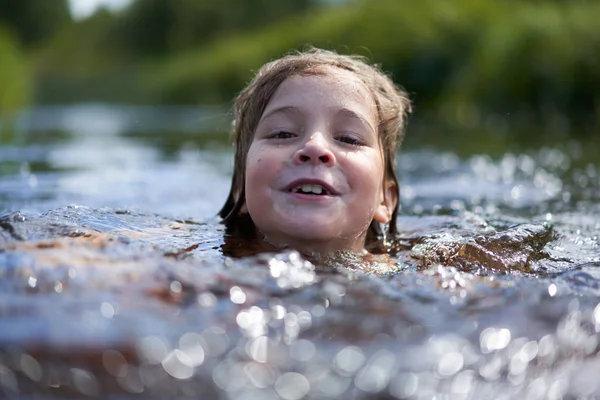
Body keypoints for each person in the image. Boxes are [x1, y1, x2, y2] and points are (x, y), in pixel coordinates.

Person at [219, 48, 411, 257]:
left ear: (384, 200)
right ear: (241, 187)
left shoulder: (425, 274)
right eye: (282, 134)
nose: (315, 147)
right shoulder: (189, 264)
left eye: (349, 139)